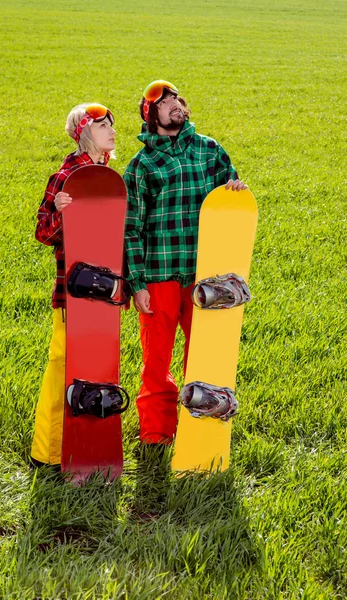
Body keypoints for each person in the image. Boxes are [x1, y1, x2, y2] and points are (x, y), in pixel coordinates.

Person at [123, 80, 247, 447]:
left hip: (204, 280)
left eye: (177, 98)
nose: (175, 104)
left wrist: (236, 191)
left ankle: (201, 431)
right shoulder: (141, 166)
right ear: (151, 115)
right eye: (165, 102)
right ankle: (157, 433)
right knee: (156, 364)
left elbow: (230, 204)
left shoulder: (209, 151)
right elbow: (130, 231)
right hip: (159, 277)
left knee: (206, 357)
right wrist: (137, 284)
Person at [30, 103, 116, 469]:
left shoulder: (107, 175)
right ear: (83, 132)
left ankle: (89, 446)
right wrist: (61, 212)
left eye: (113, 125)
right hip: (72, 295)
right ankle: (46, 454)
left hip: (105, 295)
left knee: (99, 369)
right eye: (103, 126)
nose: (112, 131)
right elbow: (42, 231)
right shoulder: (65, 176)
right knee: (63, 366)